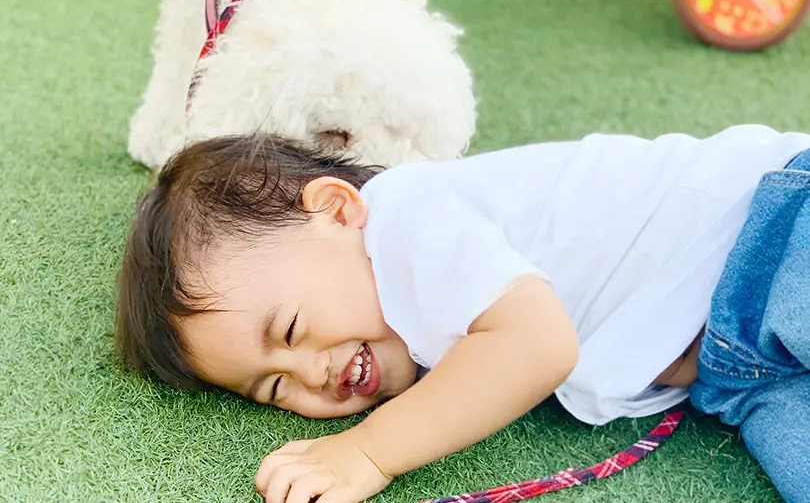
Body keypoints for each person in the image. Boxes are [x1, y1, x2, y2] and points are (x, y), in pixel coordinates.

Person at [115, 124, 810, 503]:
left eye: (291, 332)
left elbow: (536, 345)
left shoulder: (409, 221)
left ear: (336, 210)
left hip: (774, 236)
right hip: (741, 378)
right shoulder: (424, 328)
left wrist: (366, 449)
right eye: (273, 388)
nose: (310, 374)